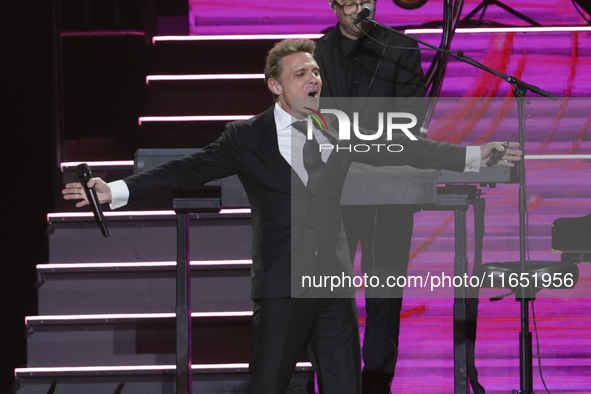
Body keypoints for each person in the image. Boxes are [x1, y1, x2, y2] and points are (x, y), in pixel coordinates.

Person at [62, 39, 520, 394]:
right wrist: (116, 189)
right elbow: (189, 168)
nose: (313, 78)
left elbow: (404, 147)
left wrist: (475, 156)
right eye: (301, 73)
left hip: (333, 287)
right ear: (276, 85)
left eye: (316, 71)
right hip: (282, 289)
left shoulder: (338, 127)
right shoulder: (247, 137)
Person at [314, 1, 429, 392]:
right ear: (333, 5)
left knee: (384, 295)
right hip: (331, 193)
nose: (358, 8)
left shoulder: (402, 49)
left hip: (387, 191)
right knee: (330, 293)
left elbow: (410, 121)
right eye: (349, 1)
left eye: (366, 0)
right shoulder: (314, 53)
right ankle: (339, 383)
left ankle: (378, 383)